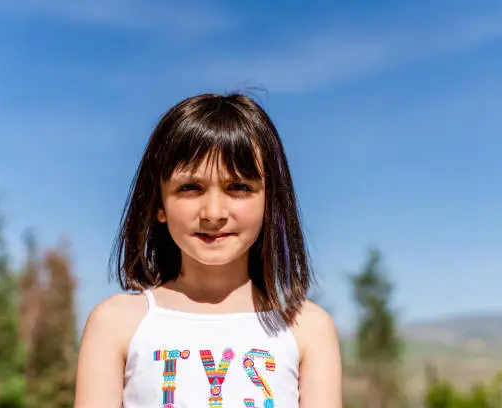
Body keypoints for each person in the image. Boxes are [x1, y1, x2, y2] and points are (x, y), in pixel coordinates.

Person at [74, 93, 342, 408]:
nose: (213, 212)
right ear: (159, 203)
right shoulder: (116, 323)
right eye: (190, 188)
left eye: (238, 187)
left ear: (270, 202)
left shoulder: (307, 328)